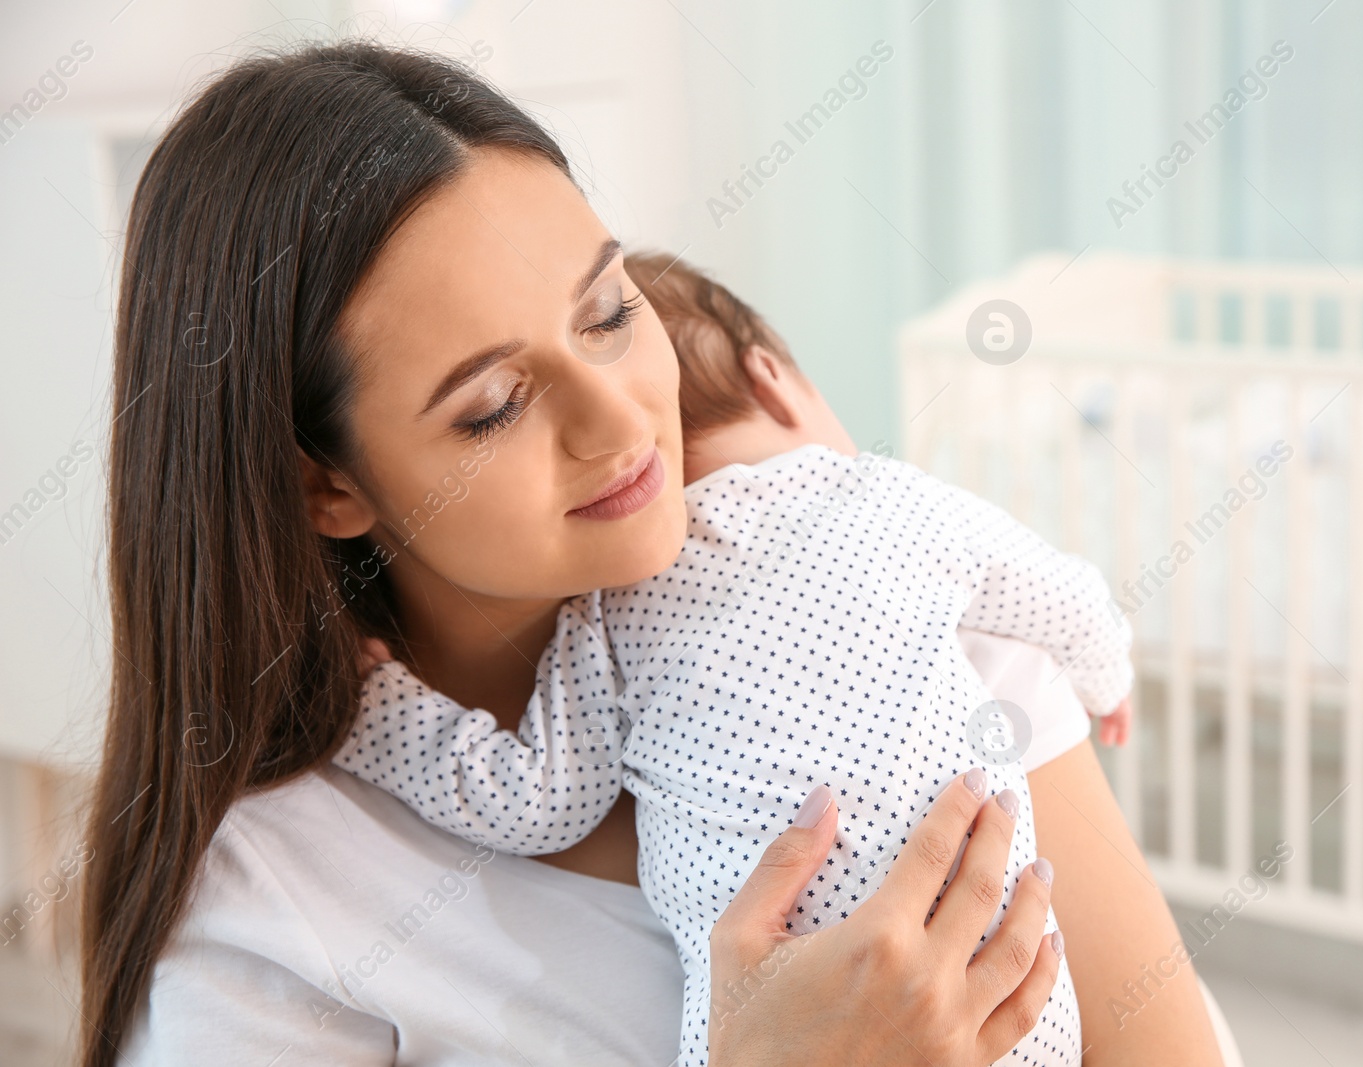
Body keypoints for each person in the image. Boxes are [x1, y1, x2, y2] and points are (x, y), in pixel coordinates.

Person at [76, 41, 1222, 1067]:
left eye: (609, 315)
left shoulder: (935, 642)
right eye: (494, 404)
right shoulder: (277, 907)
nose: (622, 423)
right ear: (326, 483)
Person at [334, 252, 1137, 1064]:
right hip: (1013, 1001)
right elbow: (1066, 595)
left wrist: (377, 708)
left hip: (769, 1019)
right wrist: (1110, 678)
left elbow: (534, 799)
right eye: (494, 406)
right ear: (776, 380)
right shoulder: (894, 499)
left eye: (609, 317)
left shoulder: (609, 609)